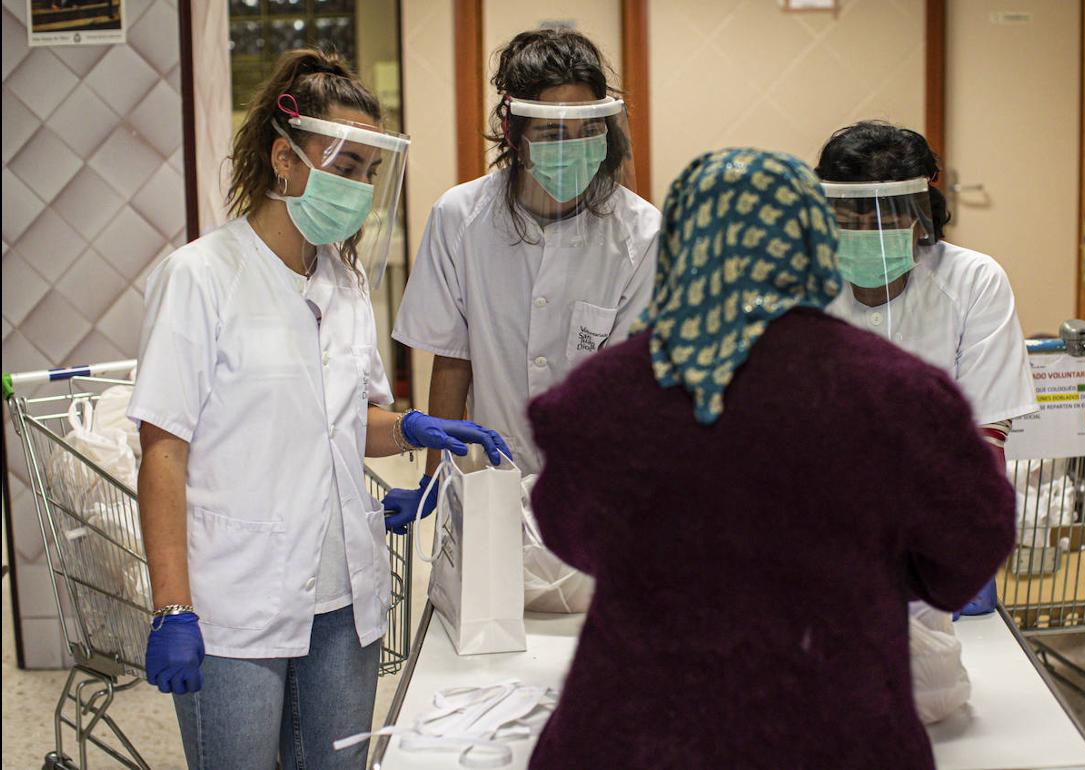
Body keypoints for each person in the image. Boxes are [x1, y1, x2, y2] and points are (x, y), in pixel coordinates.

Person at [524, 148, 1016, 769]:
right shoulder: (898, 391)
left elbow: (569, 536)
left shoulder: (606, 391)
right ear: (815, 240)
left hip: (639, 734)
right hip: (837, 730)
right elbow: (972, 541)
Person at [128, 49, 507, 770]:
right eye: (346, 165)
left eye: (369, 171)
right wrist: (173, 607)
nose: (359, 187)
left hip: (344, 599)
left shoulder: (345, 281)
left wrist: (410, 428)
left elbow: (344, 421)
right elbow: (164, 450)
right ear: (284, 159)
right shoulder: (200, 277)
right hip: (237, 601)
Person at [391, 28, 661, 517]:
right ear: (513, 132)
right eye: (553, 134)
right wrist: (435, 480)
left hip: (599, 490)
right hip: (491, 482)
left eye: (587, 131)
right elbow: (452, 360)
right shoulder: (460, 218)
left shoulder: (641, 234)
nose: (572, 148)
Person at [816, 121, 1037, 615]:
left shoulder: (973, 280)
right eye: (851, 220)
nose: (869, 235)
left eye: (887, 220)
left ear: (921, 218)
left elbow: (984, 436)